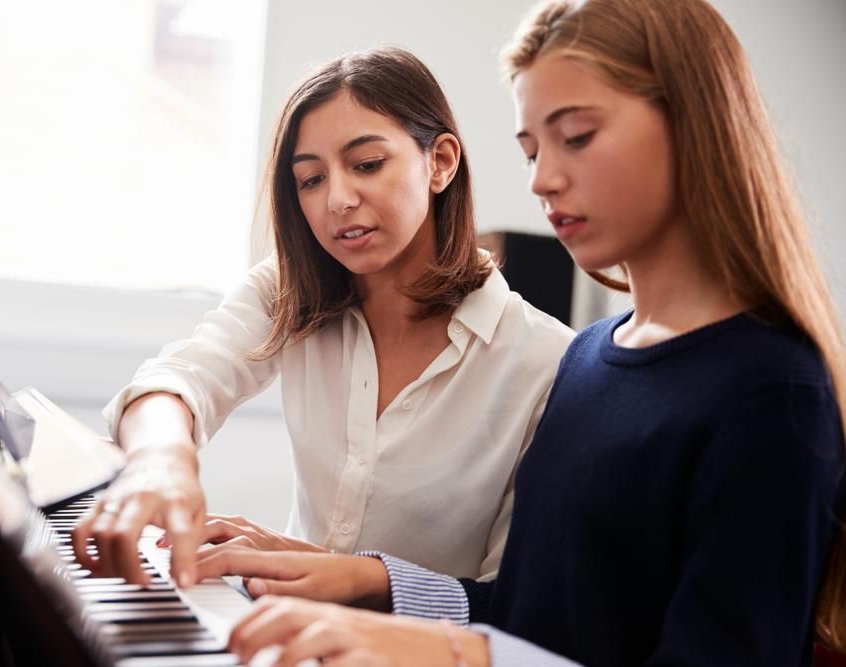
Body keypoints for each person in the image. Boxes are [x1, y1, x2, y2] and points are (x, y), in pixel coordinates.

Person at [195, 0, 846, 665]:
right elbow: (529, 614)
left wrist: (455, 653)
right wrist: (367, 580)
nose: (541, 179)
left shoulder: (773, 389)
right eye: (531, 149)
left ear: (692, 126)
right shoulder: (593, 359)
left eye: (577, 136)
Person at [70, 47, 574, 589]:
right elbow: (181, 378)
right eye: (310, 179)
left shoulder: (546, 363)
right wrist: (161, 461)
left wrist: (346, 577)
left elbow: (513, 604)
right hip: (279, 626)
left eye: (367, 165)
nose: (337, 199)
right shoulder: (291, 292)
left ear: (441, 162)